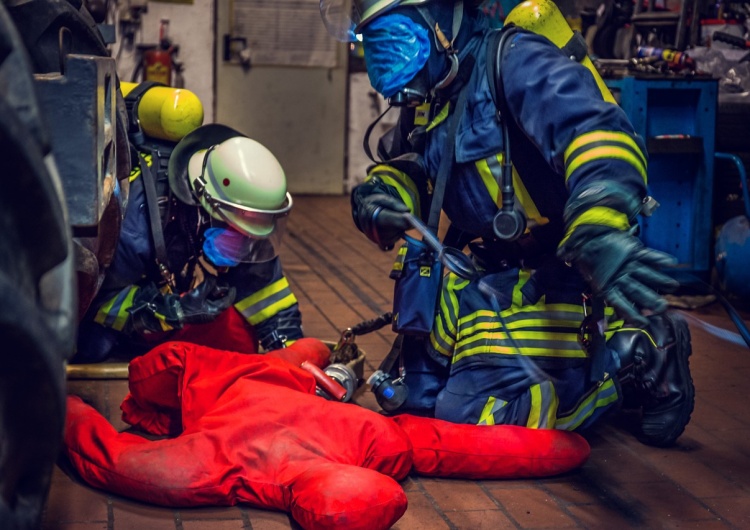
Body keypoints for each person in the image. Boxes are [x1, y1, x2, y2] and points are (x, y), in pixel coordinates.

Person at [319, 0, 694, 446]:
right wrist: (382, 194)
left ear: (442, 22)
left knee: (475, 414)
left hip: (566, 265)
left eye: (396, 41)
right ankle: (557, 361)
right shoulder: (432, 93)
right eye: (375, 48)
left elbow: (598, 134)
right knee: (419, 398)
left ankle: (636, 354)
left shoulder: (516, 61)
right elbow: (416, 167)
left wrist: (599, 223)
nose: (387, 66)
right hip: (492, 267)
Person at [75, 85, 303, 362]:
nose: (242, 241)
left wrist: (295, 355)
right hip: (99, 313)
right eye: (236, 231)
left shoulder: (236, 211)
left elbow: (269, 296)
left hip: (162, 297)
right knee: (93, 346)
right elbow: (98, 303)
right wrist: (172, 311)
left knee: (236, 333)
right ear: (204, 208)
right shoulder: (139, 224)